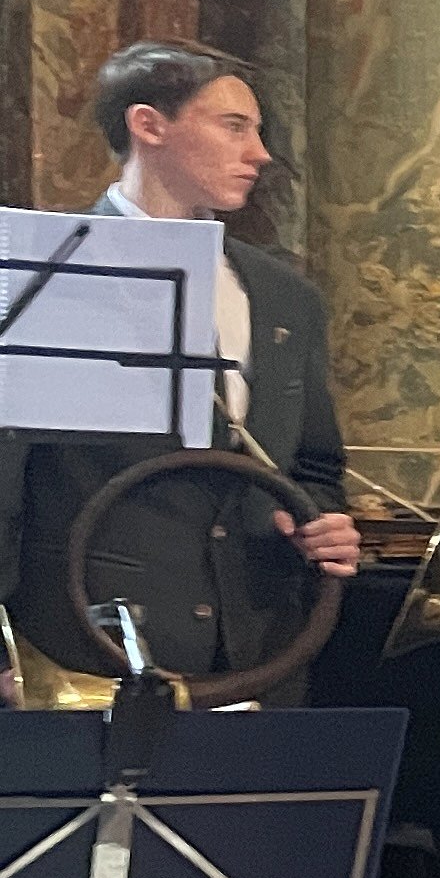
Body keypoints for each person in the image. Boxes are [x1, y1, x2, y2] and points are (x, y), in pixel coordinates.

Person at [0, 44, 359, 698]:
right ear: (148, 125)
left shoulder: (286, 296)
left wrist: (320, 522)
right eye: (234, 126)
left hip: (261, 647)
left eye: (258, 131)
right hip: (92, 645)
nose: (260, 154)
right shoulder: (47, 273)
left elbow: (313, 466)